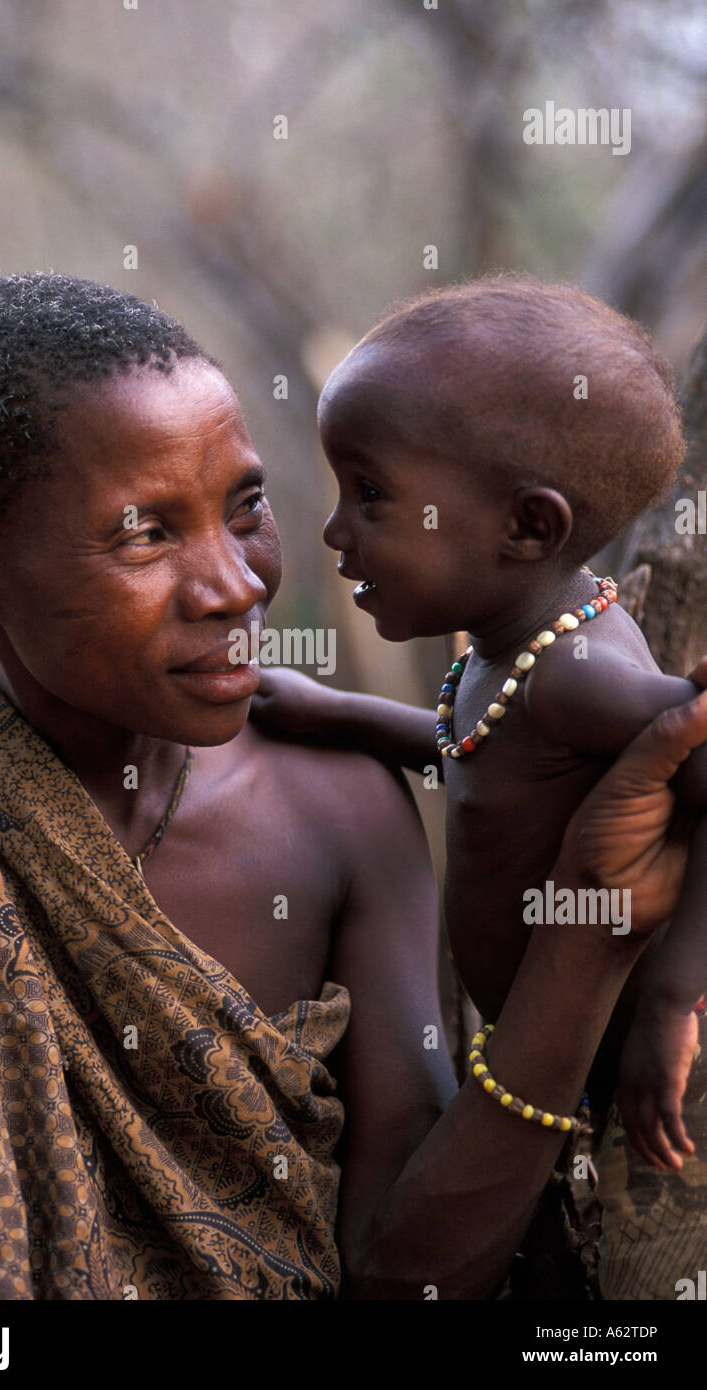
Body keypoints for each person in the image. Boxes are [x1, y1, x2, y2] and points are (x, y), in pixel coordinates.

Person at [0, 272, 702, 1303]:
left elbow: (409, 1276)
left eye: (245, 506)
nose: (238, 584)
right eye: (144, 532)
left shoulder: (337, 810)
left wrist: (590, 942)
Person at [251, 275, 707, 1298]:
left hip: (649, 1084)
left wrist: (675, 992)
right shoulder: (515, 651)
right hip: (558, 1064)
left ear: (529, 529)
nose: (334, 532)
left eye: (369, 494)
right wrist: (339, 714)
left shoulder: (582, 673)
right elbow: (485, 759)